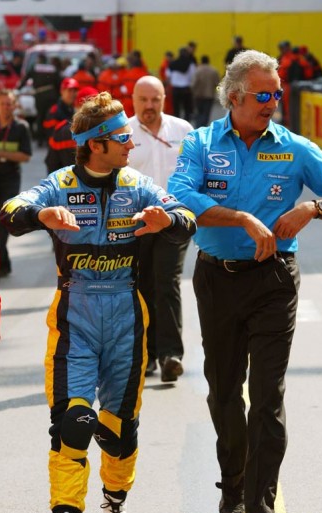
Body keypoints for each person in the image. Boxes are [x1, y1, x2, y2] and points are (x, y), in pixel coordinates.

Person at [167, 49, 322, 513]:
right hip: (216, 279)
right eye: (263, 94)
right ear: (234, 96)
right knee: (224, 392)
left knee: (268, 396)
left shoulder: (294, 146)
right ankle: (233, 484)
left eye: (278, 93)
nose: (273, 102)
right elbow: (179, 194)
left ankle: (262, 508)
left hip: (274, 280)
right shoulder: (203, 143)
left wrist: (314, 210)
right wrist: (241, 218)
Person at [0, 92, 197, 513]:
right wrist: (41, 214)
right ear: (96, 144)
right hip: (75, 316)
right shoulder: (61, 183)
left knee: (122, 425)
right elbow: (10, 211)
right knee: (69, 418)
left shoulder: (138, 184)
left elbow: (187, 216)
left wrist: (168, 222)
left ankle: (115, 503)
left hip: (128, 314)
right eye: (122, 137)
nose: (131, 144)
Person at [127, 76, 194, 382]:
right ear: (133, 99)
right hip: (135, 223)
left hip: (173, 220)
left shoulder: (183, 130)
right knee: (142, 287)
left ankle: (171, 355)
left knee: (167, 282)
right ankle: (147, 355)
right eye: (144, 100)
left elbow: (196, 173)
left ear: (165, 99)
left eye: (155, 99)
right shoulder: (122, 132)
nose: (149, 106)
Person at [0, 89, 32, 277]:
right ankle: (3, 262)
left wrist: (2, 154)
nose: (5, 107)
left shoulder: (21, 127)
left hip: (10, 178)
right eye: (2, 103)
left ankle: (1, 260)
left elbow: (25, 156)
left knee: (2, 220)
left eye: (9, 103)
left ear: (14, 105)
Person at [45, 85, 99, 174]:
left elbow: (52, 164)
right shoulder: (107, 131)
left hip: (68, 184)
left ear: (76, 106)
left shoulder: (61, 131)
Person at [191, 55, 220, 128]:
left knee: (199, 113)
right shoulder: (213, 70)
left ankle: (198, 127)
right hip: (209, 95)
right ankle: (203, 127)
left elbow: (194, 83)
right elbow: (217, 83)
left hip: (198, 95)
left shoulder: (198, 70)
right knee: (206, 114)